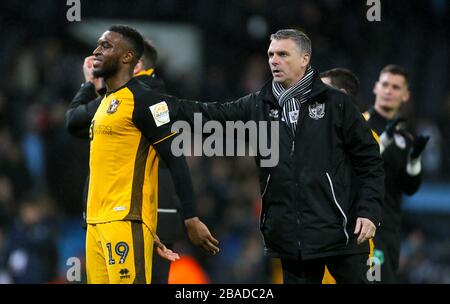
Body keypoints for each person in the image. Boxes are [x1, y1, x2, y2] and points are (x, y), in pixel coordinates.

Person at [172, 29, 385, 283]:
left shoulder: (337, 103)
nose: (274, 60)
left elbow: (370, 161)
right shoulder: (258, 104)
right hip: (291, 238)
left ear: (304, 59)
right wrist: (160, 105)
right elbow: (209, 113)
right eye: (271, 54)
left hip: (341, 234)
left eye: (283, 54)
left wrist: (369, 211)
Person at [78, 25, 219, 284]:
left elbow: (175, 158)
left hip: (125, 219)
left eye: (106, 45)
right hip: (96, 224)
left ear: (128, 57)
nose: (96, 51)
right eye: (98, 44)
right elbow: (73, 122)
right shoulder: (105, 102)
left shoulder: (145, 100)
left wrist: (190, 217)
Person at [66, 39, 185, 283]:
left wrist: (90, 84)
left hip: (131, 214)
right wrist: (96, 86)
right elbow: (80, 123)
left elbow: (74, 120)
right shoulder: (123, 100)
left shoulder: (141, 98)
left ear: (136, 63)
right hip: (114, 214)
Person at [364, 65, 429, 283]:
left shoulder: (405, 138)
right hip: (363, 224)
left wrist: (414, 160)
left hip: (390, 227)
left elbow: (410, 188)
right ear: (375, 87)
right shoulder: (358, 124)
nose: (389, 91)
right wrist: (382, 144)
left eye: (395, 87)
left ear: (405, 94)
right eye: (385, 85)